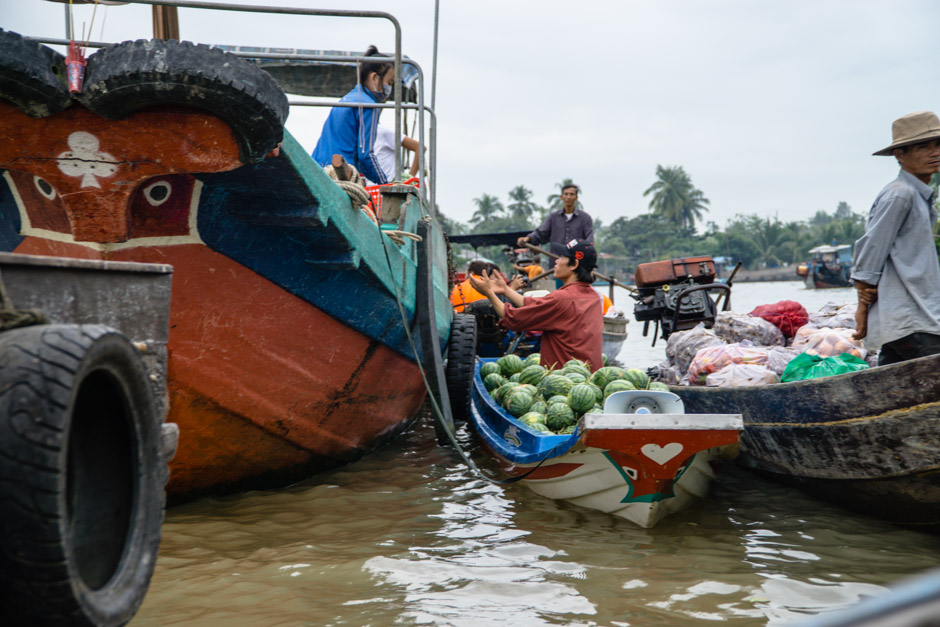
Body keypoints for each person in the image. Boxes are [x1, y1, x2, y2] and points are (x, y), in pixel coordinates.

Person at [851, 110, 940, 365]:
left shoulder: (919, 196)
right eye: (923, 147)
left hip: (909, 320)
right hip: (912, 321)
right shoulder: (901, 194)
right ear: (900, 155)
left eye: (937, 145)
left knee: (890, 385)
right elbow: (871, 248)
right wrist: (862, 305)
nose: (934, 153)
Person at [469, 239, 603, 371]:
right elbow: (536, 305)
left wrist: (489, 293)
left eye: (561, 257)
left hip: (565, 380)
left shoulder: (562, 299)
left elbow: (513, 318)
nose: (556, 261)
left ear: (574, 265)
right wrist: (506, 289)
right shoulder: (594, 297)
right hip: (590, 376)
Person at [312, 46, 393, 185]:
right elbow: (365, 155)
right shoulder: (369, 106)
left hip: (317, 167)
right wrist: (385, 182)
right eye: (390, 82)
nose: (389, 88)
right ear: (374, 77)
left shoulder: (347, 98)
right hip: (339, 174)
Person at [517, 184, 594, 257]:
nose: (568, 197)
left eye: (571, 194)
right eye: (566, 194)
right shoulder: (553, 217)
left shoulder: (585, 218)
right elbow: (541, 233)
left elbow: (589, 241)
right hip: (556, 262)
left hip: (576, 264)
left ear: (576, 197)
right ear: (561, 197)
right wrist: (528, 238)